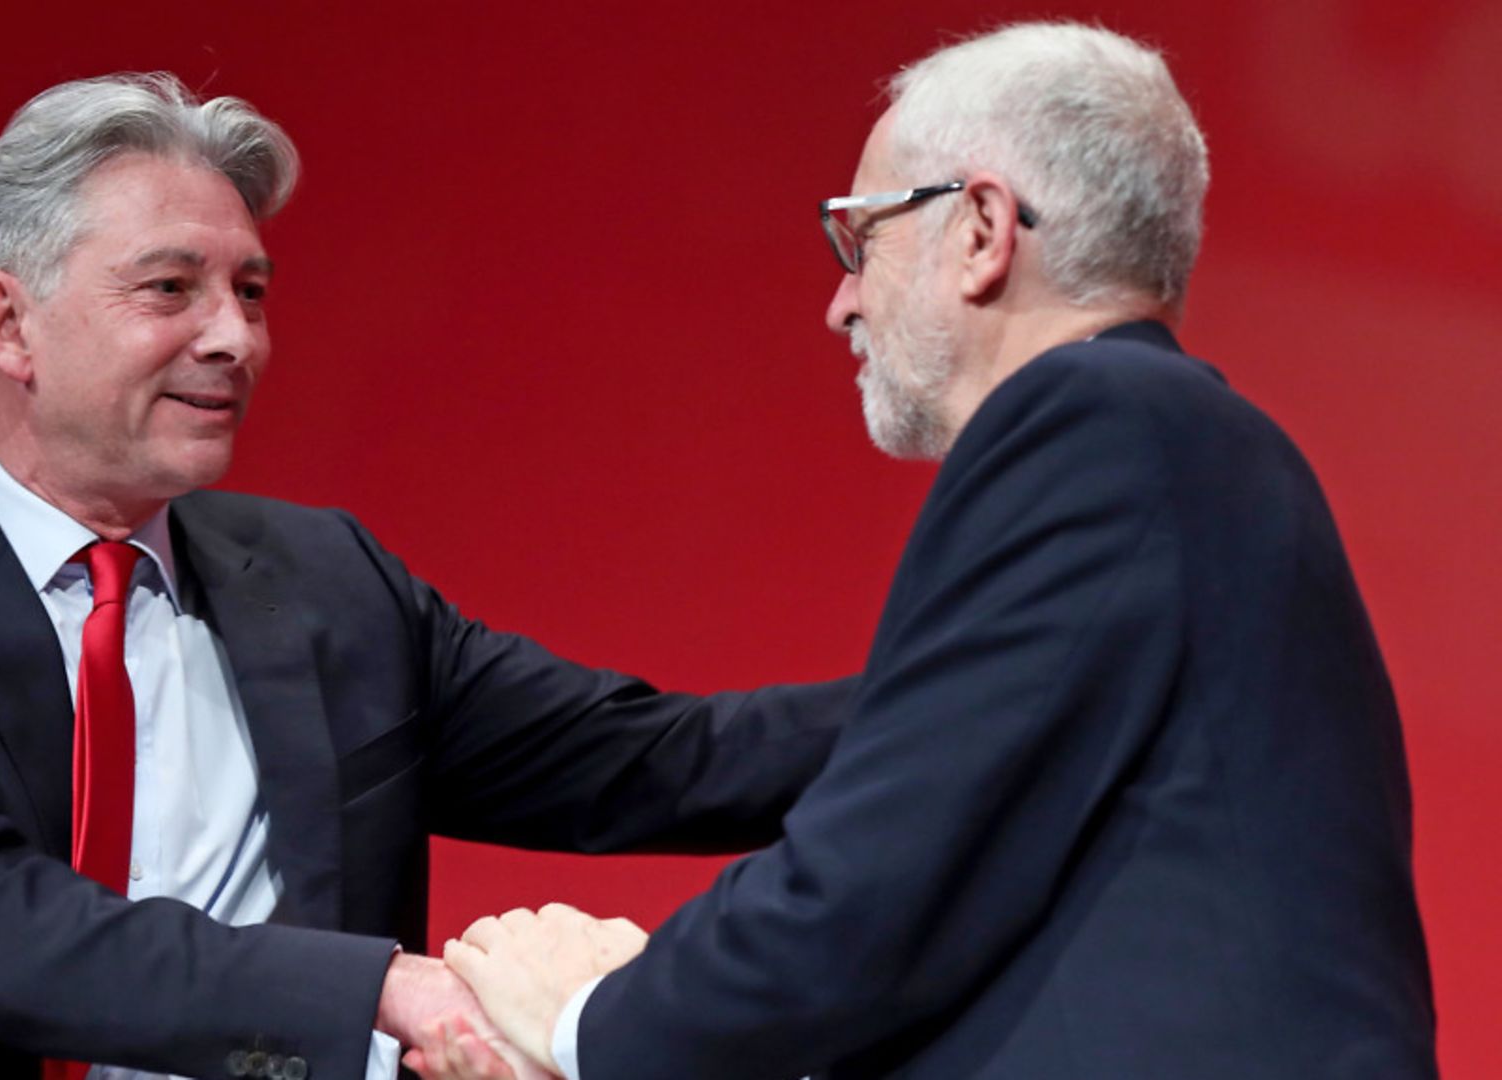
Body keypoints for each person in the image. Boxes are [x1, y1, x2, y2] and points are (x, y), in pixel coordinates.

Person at [0, 74, 855, 1080]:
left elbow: (660, 761)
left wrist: (987, 689)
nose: (235, 340)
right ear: (10, 323)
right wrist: (377, 991)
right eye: (171, 291)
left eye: (250, 292)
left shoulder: (324, 580)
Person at [443, 22, 1438, 1080]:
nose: (841, 302)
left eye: (858, 239)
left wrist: (582, 1017)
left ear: (980, 230)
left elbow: (867, 894)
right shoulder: (1188, 446)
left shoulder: (1087, 419)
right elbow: (949, 802)